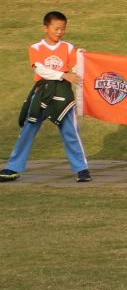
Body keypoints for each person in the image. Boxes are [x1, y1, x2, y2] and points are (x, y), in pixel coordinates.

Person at [0, 11, 90, 183]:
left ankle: (81, 169)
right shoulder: (36, 48)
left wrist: (83, 58)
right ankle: (13, 167)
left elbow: (78, 69)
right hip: (43, 90)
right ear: (45, 28)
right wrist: (63, 75)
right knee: (29, 127)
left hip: (63, 93)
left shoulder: (68, 47)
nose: (59, 32)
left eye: (63, 29)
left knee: (70, 130)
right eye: (56, 28)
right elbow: (40, 69)